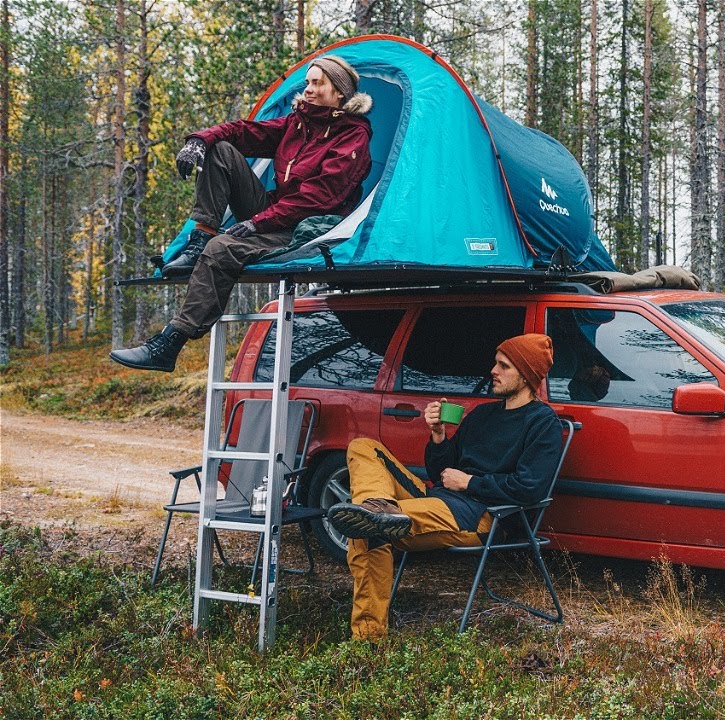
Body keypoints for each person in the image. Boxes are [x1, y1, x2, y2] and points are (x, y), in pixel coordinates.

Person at [110, 54, 373, 372]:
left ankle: (169, 344)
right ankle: (199, 238)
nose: (309, 89)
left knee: (222, 249)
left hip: (306, 228)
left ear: (340, 93)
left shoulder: (352, 138)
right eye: (308, 82)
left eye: (318, 83)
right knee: (220, 150)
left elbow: (317, 198)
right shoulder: (297, 124)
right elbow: (244, 132)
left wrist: (257, 222)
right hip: (275, 212)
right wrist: (199, 141)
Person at [326, 333, 563, 641]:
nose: (493, 369)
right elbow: (440, 472)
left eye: (503, 366)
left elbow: (530, 488)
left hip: (478, 514)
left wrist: (470, 482)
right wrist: (438, 435)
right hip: (438, 497)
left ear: (527, 375)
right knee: (363, 446)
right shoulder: (483, 414)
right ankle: (378, 507)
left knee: (366, 530)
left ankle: (368, 639)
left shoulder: (542, 424)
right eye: (496, 362)